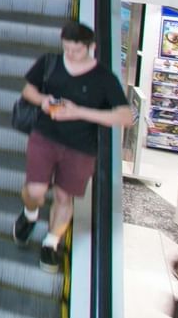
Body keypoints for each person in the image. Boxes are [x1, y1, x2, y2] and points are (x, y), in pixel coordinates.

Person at [14, 20, 133, 272]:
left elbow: (124, 117)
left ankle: (51, 242)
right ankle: (30, 213)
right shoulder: (50, 62)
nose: (70, 54)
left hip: (80, 147)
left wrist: (79, 112)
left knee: (64, 196)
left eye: (76, 50)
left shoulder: (104, 78)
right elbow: (28, 91)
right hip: (45, 136)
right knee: (35, 191)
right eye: (66, 48)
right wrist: (44, 100)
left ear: (91, 47)